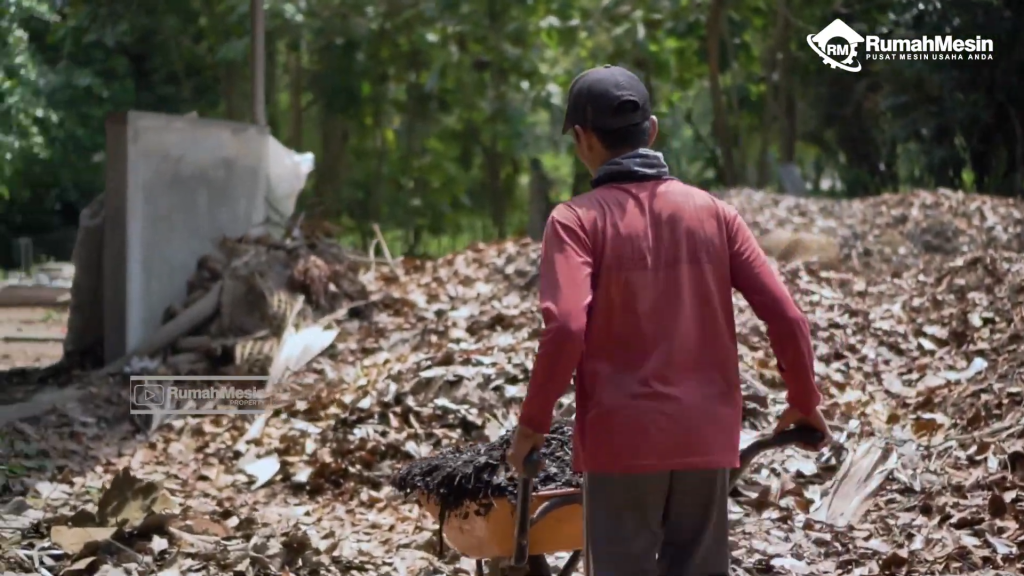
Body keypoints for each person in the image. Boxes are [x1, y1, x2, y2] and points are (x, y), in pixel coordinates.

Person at [505, 65, 831, 576]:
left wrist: (532, 426)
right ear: (651, 131)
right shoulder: (715, 214)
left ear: (582, 139)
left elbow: (566, 327)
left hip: (621, 440)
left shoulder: (575, 221)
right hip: (706, 436)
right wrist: (804, 402)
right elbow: (787, 316)